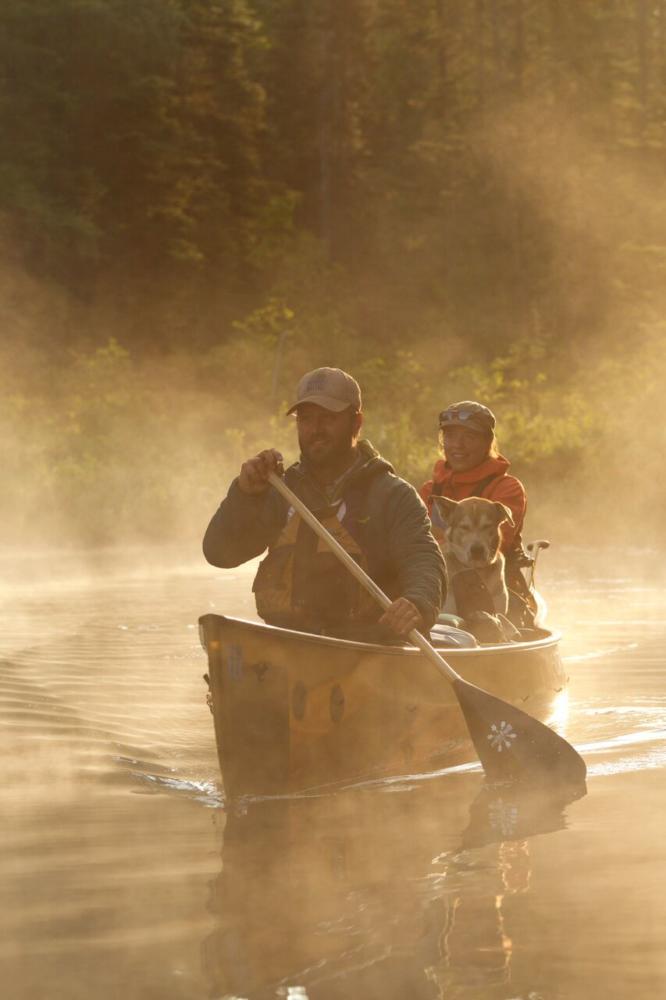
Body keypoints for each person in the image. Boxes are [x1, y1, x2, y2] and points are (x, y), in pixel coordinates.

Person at [203, 367, 446, 642]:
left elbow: (423, 558)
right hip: (288, 642)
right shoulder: (280, 492)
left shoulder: (392, 495)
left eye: (328, 418)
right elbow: (220, 554)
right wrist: (244, 496)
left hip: (367, 648)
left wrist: (417, 602)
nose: (315, 429)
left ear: (356, 423)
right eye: (306, 419)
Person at [420, 400, 535, 624]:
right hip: (437, 582)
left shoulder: (507, 488)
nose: (457, 445)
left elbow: (495, 545)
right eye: (450, 437)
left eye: (469, 437)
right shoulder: (430, 490)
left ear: (488, 442)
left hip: (497, 584)